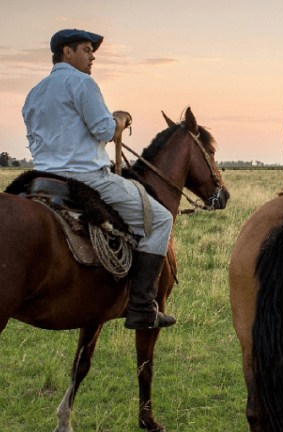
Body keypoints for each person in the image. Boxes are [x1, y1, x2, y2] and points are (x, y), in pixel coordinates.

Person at [22, 29, 176, 330]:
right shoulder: (82, 83)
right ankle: (142, 306)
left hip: (42, 179)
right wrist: (121, 119)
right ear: (67, 52)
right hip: (86, 178)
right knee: (160, 219)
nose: (93, 57)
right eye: (87, 49)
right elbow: (106, 131)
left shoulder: (35, 92)